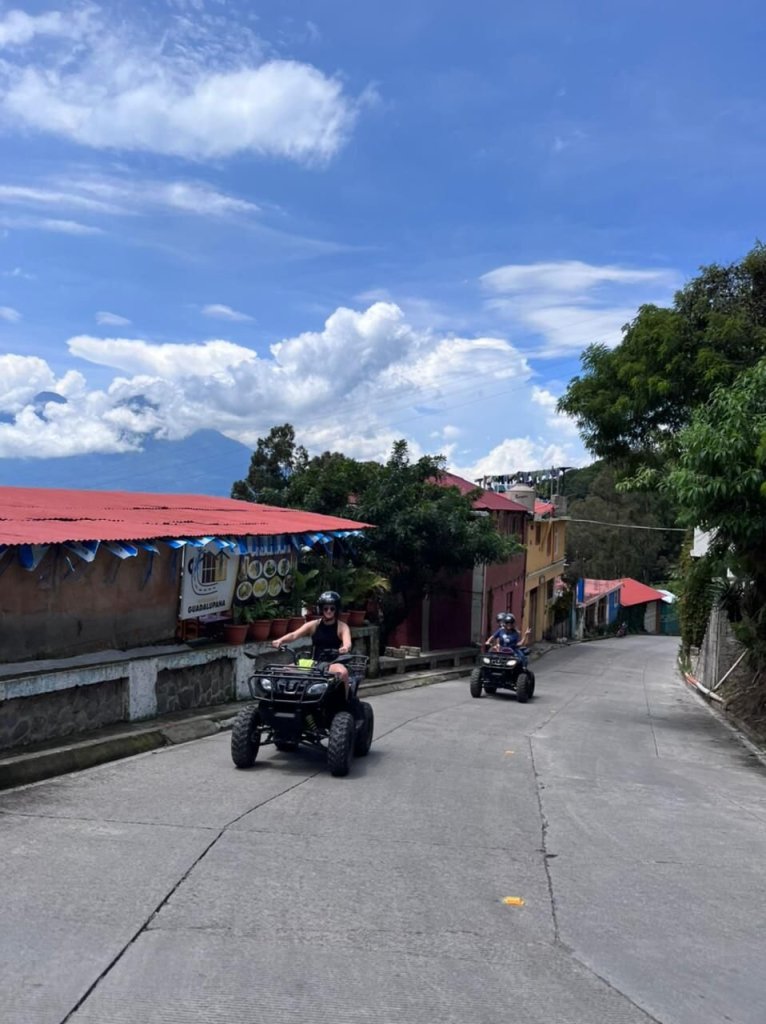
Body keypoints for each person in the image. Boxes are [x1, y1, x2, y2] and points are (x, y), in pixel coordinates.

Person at [272, 590, 353, 693]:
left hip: (332, 663)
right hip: (314, 662)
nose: (329, 611)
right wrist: (280, 640)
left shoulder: (342, 627)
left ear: (336, 610)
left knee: (343, 672)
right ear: (321, 609)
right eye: (325, 608)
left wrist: (345, 648)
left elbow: (347, 642)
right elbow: (294, 635)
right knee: (284, 670)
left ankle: (346, 701)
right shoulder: (314, 625)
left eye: (332, 608)